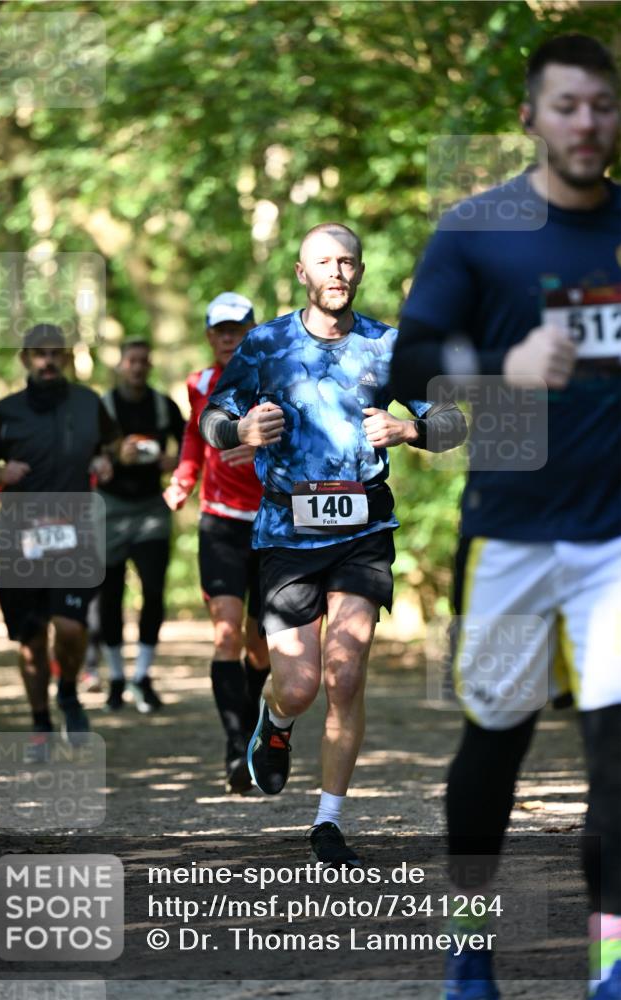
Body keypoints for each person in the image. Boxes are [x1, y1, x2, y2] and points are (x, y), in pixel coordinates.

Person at [389, 35, 621, 1000]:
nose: (585, 124)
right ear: (529, 117)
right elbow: (406, 369)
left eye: (602, 106)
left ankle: (610, 962)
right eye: (566, 106)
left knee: (616, 755)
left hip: (615, 539)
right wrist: (498, 372)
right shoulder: (481, 230)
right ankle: (468, 943)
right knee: (494, 745)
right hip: (513, 533)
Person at [200, 223, 467, 864]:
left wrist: (409, 429)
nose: (337, 273)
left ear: (360, 270)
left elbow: (453, 421)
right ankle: (278, 720)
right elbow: (213, 419)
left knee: (346, 672)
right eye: (325, 262)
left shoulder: (389, 345)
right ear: (302, 274)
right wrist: (241, 426)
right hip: (287, 536)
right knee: (300, 684)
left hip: (364, 532)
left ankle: (329, 821)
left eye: (347, 262)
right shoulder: (264, 345)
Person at [0, 323, 119, 744]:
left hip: (74, 528)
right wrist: (2, 472)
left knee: (70, 627)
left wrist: (104, 459)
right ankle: (40, 722)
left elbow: (112, 443)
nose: (48, 361)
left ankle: (69, 692)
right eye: (39, 354)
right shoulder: (6, 410)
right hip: (21, 533)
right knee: (31, 637)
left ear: (68, 358)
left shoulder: (88, 404)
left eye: (56, 353)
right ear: (26, 359)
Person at [164, 293, 269, 793]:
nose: (229, 338)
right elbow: (193, 434)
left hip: (275, 524)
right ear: (209, 336)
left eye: (238, 328)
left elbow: (305, 437)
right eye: (220, 330)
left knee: (262, 646)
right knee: (226, 635)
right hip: (221, 523)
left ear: (254, 330)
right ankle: (236, 746)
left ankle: (256, 729)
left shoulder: (277, 379)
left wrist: (259, 450)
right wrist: (184, 478)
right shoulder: (201, 383)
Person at [97, 339, 184, 713]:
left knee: (153, 591)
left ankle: (142, 676)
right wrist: (113, 455)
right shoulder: (103, 407)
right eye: (131, 361)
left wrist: (173, 462)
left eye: (143, 361)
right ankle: (116, 679)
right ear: (120, 365)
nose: (137, 367)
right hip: (109, 508)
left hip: (151, 509)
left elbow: (191, 446)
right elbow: (83, 449)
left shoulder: (164, 405)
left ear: (149, 365)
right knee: (109, 595)